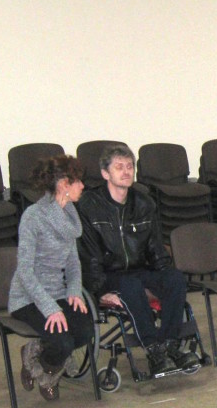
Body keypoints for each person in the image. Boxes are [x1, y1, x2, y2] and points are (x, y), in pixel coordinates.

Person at [76, 144, 198, 376]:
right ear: (105, 173)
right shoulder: (89, 205)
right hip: (108, 275)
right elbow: (88, 256)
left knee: (174, 278)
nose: (126, 172)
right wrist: (98, 291)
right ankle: (154, 350)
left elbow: (156, 249)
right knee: (131, 285)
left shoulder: (144, 203)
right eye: (119, 167)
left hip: (138, 271)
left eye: (129, 166)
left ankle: (170, 345)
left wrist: (164, 278)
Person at [9, 155, 94, 401]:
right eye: (78, 181)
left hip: (57, 292)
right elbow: (25, 271)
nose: (82, 186)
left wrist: (74, 291)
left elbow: (73, 263)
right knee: (63, 342)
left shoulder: (69, 216)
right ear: (64, 185)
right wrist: (50, 308)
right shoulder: (34, 216)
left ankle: (38, 361)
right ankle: (47, 372)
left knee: (84, 331)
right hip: (27, 298)